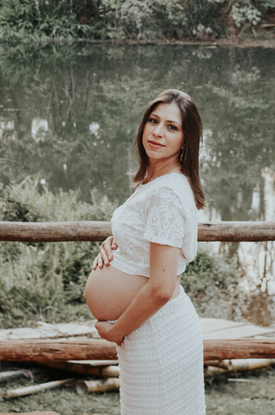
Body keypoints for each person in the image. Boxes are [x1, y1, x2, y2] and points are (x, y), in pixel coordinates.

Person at [83, 89, 207, 415]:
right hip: (148, 331)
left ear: (186, 140)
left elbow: (162, 287)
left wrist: (116, 331)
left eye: (171, 127)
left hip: (156, 335)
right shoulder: (158, 183)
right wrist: (118, 243)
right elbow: (146, 243)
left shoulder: (167, 194)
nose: (157, 132)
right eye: (153, 121)